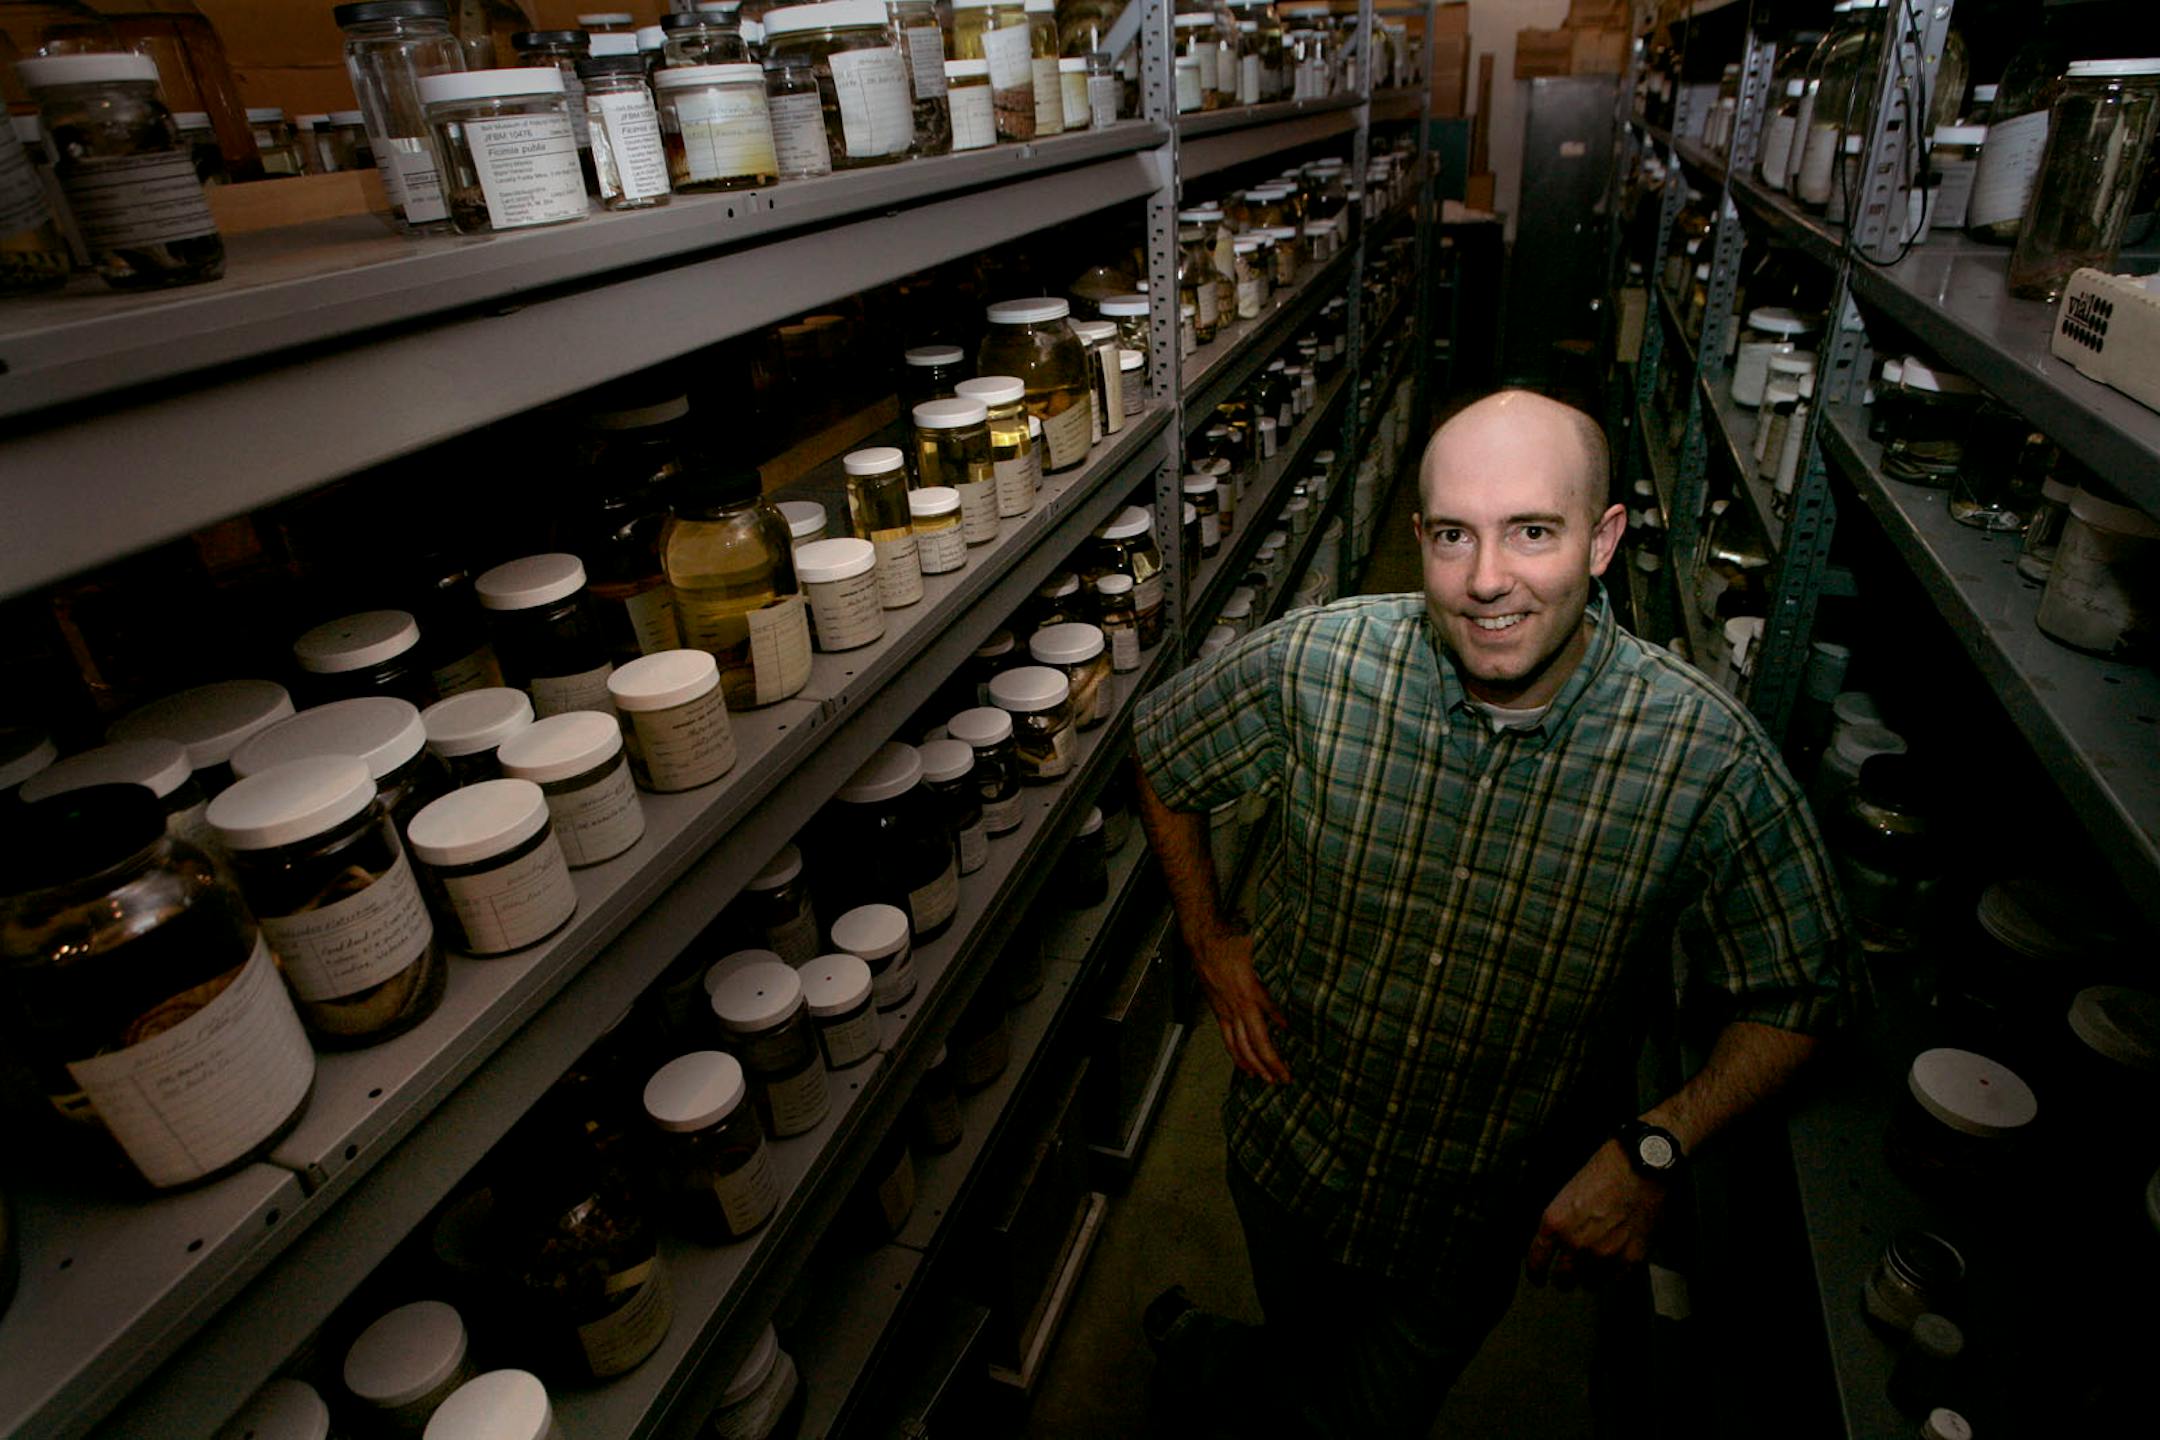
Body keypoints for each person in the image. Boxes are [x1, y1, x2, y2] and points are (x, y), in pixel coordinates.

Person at [1131, 389, 1853, 1438]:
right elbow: (1164, 751)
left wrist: (1657, 1146)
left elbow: (1810, 990)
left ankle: (1216, 1364)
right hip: (1290, 1156)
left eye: (1533, 532)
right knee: (1308, 1356)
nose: (1487, 582)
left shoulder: (1702, 758)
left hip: (1464, 1221)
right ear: (1421, 538)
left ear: (1603, 541)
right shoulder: (1318, 664)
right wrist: (1208, 938)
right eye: (1456, 537)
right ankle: (1238, 1361)